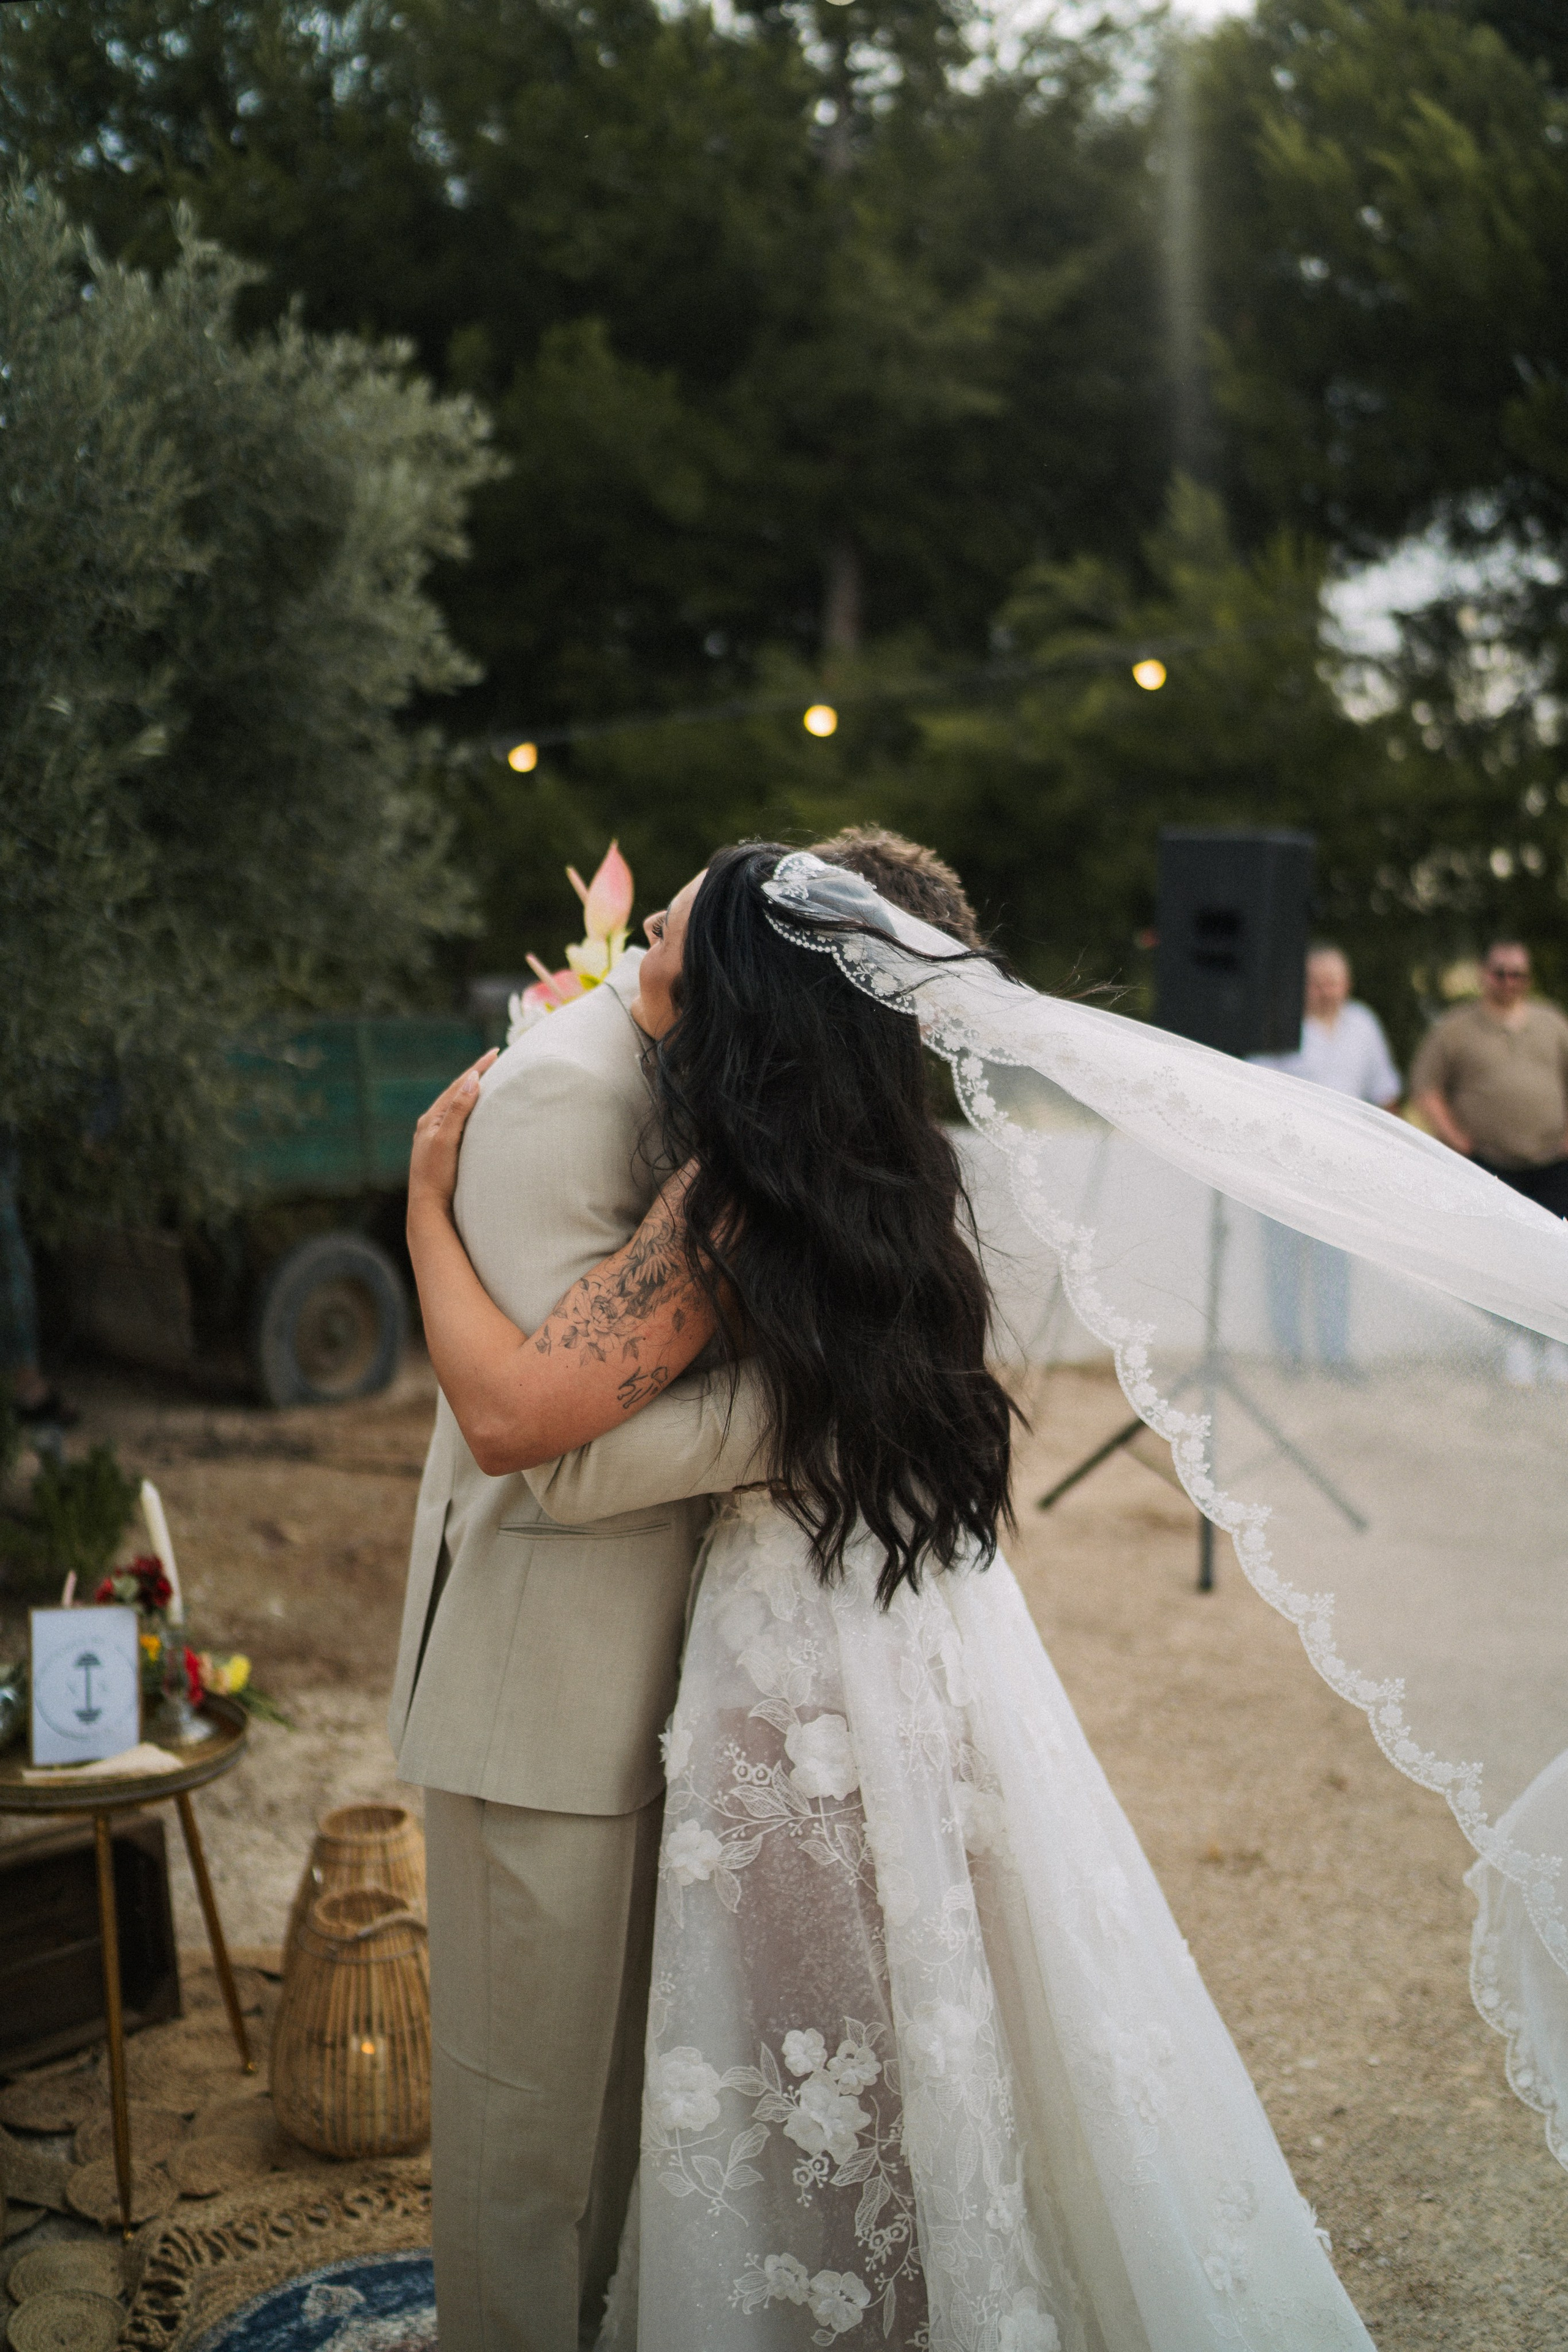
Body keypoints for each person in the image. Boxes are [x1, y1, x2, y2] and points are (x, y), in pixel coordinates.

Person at [406, 845, 1379, 2349]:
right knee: (828, 2048)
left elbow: (540, 1430)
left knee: (795, 2052)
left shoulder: (743, 1173)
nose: (682, 911)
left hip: (782, 1644)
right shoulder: (849, 1152)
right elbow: (543, 1440)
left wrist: (419, 1210)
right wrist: (852, 1415)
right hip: (795, 1638)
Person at [387, 828, 985, 2352]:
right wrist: (827, 1411)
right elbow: (551, 1449)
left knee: (651, 2122)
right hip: (549, 1695)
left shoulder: (762, 1095)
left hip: (710, 1683)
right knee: (530, 2142)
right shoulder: (564, 1094)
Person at [1412, 939, 1568, 1385]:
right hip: (1489, 1163)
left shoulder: (1552, 1023)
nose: (1509, 981)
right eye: (1500, 972)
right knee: (1502, 1258)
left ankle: (1554, 1341)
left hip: (1551, 1161)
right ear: (1484, 975)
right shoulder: (1455, 1029)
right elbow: (1426, 1088)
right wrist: (1457, 1139)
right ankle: (1514, 1343)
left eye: (1518, 973)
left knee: (1554, 1255)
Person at [1249, 946, 1401, 1373]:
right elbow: (1253, 1087)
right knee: (1283, 1261)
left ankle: (1336, 1355)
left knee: (1337, 1262)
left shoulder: (1364, 1025)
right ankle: (1289, 1354)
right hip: (1287, 1165)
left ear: (1346, 985)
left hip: (1344, 1167)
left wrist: (1385, 1153)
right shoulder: (1280, 1023)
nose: (1325, 991)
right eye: (1316, 983)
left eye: (1332, 982)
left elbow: (1385, 1091)